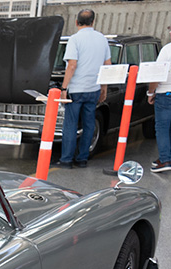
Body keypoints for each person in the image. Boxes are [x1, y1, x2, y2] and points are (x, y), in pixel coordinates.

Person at [54, 9, 111, 169]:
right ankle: (82, 159)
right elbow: (107, 66)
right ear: (93, 22)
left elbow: (72, 65)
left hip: (77, 89)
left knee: (70, 125)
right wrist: (103, 88)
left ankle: (66, 160)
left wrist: (64, 87)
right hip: (93, 89)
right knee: (89, 124)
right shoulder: (102, 39)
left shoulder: (75, 39)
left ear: (76, 22)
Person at [147, 25, 171, 173]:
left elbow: (156, 74)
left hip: (166, 93)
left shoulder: (167, 50)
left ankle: (165, 159)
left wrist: (151, 93)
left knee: (162, 128)